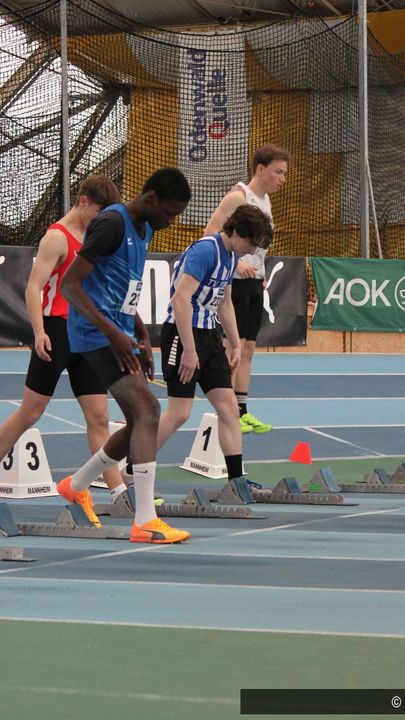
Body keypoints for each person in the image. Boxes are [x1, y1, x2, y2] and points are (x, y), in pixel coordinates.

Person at [58, 168, 192, 544]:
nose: (171, 221)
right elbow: (70, 285)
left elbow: (124, 288)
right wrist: (113, 334)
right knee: (149, 409)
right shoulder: (110, 224)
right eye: (169, 212)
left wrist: (140, 334)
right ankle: (145, 520)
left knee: (137, 422)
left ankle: (76, 485)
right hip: (93, 335)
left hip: (118, 334)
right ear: (150, 198)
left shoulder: (145, 228)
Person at [0, 175, 127, 502]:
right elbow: (33, 287)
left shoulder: (96, 237)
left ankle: (119, 494)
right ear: (83, 201)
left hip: (87, 336)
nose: (101, 221)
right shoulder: (56, 238)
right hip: (56, 333)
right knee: (30, 414)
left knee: (99, 418)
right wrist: (39, 331)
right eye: (98, 213)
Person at [155, 204, 273, 488]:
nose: (251, 251)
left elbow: (224, 303)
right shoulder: (205, 251)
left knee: (229, 407)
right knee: (179, 413)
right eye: (251, 243)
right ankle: (134, 467)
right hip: (182, 334)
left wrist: (235, 344)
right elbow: (180, 299)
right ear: (236, 231)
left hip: (210, 335)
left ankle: (236, 481)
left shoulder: (231, 257)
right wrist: (189, 350)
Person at [204, 143, 289, 434]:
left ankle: (242, 410)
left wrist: (258, 270)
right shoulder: (238, 197)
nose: (282, 179)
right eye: (278, 172)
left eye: (284, 173)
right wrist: (236, 263)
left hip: (255, 281)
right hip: (236, 282)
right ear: (261, 169)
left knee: (249, 347)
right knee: (234, 346)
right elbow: (210, 232)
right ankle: (227, 409)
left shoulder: (266, 201)